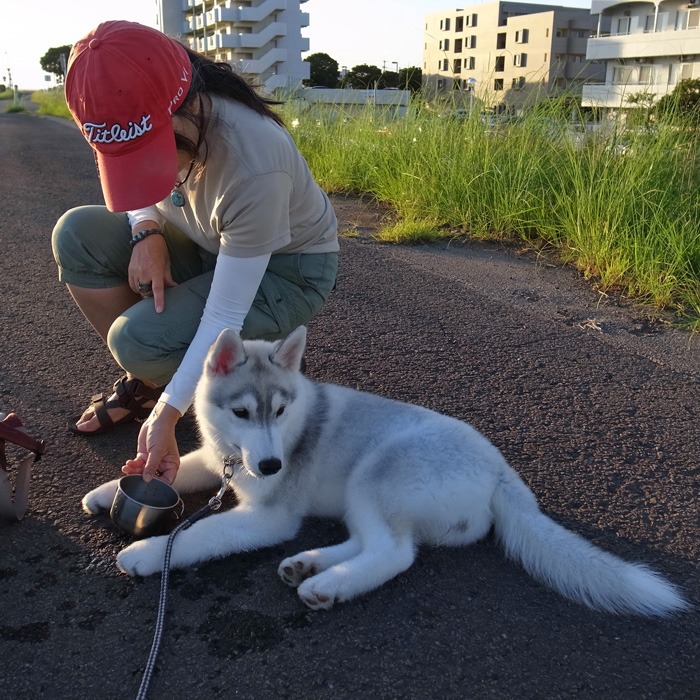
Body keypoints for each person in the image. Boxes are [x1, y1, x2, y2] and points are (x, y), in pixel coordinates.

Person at [52, 21, 339, 484]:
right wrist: (147, 231)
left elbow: (224, 310)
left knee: (137, 342)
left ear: (182, 110)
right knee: (77, 232)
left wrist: (166, 418)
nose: (142, 167)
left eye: (149, 152)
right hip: (205, 241)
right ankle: (157, 378)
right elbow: (135, 190)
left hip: (286, 271)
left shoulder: (254, 163)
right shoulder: (125, 101)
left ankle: (194, 375)